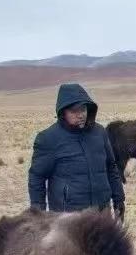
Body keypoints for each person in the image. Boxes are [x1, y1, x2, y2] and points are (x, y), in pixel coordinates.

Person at [28, 83, 124, 219]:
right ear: (63, 112)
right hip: (68, 217)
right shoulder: (49, 139)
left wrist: (119, 198)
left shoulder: (99, 133)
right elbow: (37, 178)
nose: (81, 115)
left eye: (83, 109)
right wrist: (39, 215)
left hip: (102, 212)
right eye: (74, 111)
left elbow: (111, 167)